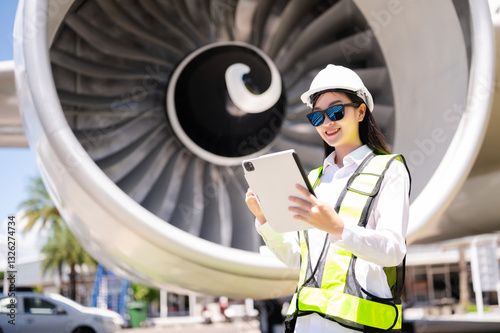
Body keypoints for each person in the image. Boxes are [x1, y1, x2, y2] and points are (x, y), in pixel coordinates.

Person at [245, 64, 411, 332]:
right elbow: (298, 260)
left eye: (335, 111)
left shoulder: (389, 169)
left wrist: (339, 229)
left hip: (359, 326)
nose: (327, 122)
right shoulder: (313, 180)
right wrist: (264, 219)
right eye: (317, 117)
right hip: (307, 324)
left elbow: (393, 250)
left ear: (360, 111)